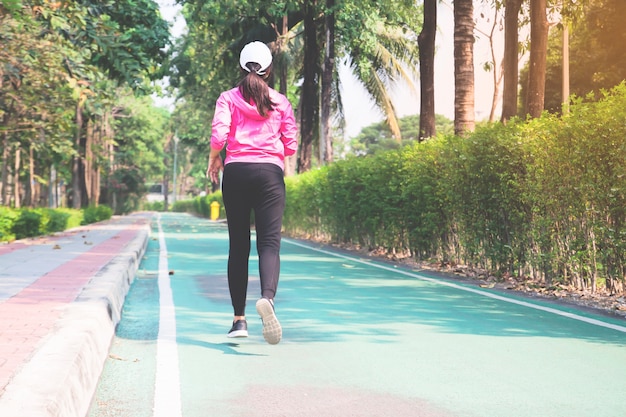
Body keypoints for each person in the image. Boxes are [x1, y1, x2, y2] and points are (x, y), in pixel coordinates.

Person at [207, 41, 298, 345]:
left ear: (242, 67)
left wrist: (214, 158)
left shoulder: (227, 98)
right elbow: (291, 144)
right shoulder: (280, 101)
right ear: (269, 69)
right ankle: (268, 300)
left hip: (236, 172)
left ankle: (238, 320)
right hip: (270, 174)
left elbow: (220, 134)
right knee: (269, 243)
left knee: (239, 246)